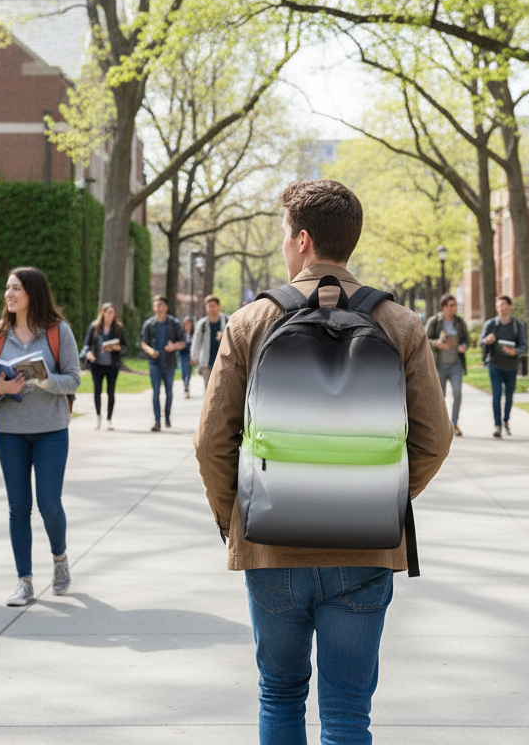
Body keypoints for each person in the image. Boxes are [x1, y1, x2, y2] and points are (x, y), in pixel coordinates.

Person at [194, 179, 452, 745]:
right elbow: (434, 440)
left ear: (303, 240)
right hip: (365, 546)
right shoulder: (401, 325)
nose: (284, 246)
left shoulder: (251, 322)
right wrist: (376, 496)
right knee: (346, 713)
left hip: (272, 542)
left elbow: (212, 441)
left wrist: (234, 518)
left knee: (280, 694)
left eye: (285, 235)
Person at [0, 267, 81, 607]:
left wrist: (47, 381)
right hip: (9, 432)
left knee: (49, 503)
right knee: (18, 507)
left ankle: (60, 560)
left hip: (51, 429)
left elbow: (74, 379)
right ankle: (24, 581)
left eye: (16, 288)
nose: (9, 294)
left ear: (33, 293)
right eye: (7, 288)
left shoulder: (58, 331)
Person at [481, 295, 528, 437]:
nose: (503, 308)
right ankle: (498, 425)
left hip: (511, 365)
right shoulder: (491, 324)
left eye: (505, 305)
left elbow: (524, 346)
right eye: (500, 305)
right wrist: (487, 340)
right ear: (497, 307)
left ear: (510, 307)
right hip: (495, 364)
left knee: (509, 395)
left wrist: (515, 351)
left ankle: (506, 420)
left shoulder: (517, 325)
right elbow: (481, 342)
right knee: (496, 395)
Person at [424, 293, 469, 436]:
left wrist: (464, 346)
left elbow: (466, 340)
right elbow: (424, 339)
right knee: (440, 397)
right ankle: (441, 426)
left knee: (457, 393)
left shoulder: (459, 323)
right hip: (439, 365)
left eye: (455, 305)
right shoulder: (434, 322)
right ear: (443, 307)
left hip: (455, 364)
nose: (453, 308)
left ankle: (454, 424)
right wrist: (436, 343)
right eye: (450, 305)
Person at [140, 296, 185, 431]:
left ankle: (167, 417)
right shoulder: (149, 324)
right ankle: (157, 421)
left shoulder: (174, 323)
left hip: (169, 362)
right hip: (154, 363)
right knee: (155, 392)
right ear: (153, 308)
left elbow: (182, 343)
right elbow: (143, 342)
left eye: (161, 305)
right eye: (156, 305)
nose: (158, 307)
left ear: (166, 307)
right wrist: (151, 351)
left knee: (169, 392)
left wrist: (174, 346)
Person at [81, 302, 127, 431]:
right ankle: (98, 417)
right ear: (103, 313)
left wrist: (118, 348)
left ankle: (109, 419)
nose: (111, 315)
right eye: (108, 312)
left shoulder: (118, 328)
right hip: (97, 365)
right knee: (97, 391)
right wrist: (88, 353)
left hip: (112, 365)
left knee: (110, 392)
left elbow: (125, 346)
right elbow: (87, 344)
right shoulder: (95, 327)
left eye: (113, 312)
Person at [190, 295, 228, 391]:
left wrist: (224, 336)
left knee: (223, 390)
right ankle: (209, 406)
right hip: (207, 361)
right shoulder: (202, 323)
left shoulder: (228, 320)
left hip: (224, 361)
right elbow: (196, 341)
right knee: (208, 390)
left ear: (219, 307)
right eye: (209, 306)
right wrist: (194, 357)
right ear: (206, 308)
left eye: (213, 306)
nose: (211, 309)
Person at [179, 316, 194, 399]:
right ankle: (185, 385)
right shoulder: (181, 334)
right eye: (186, 324)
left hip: (191, 353)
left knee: (189, 370)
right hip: (183, 353)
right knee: (184, 369)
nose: (187, 325)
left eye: (189, 324)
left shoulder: (194, 333)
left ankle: (187, 384)